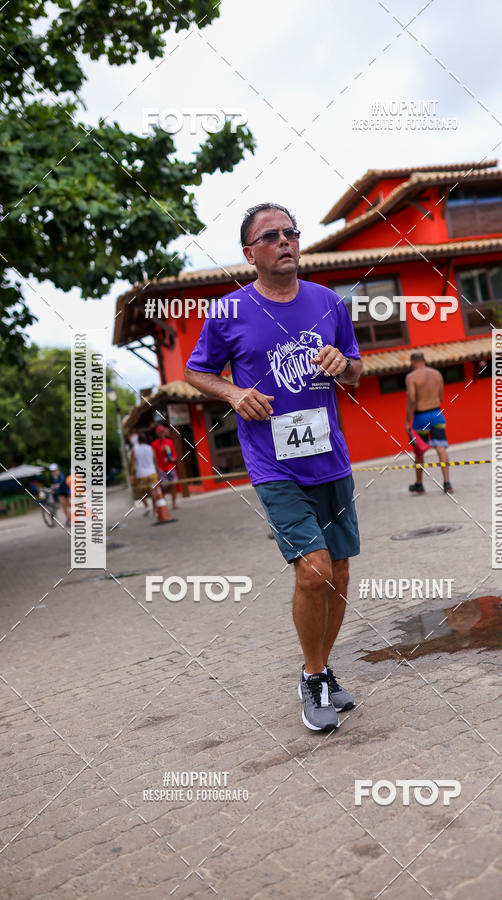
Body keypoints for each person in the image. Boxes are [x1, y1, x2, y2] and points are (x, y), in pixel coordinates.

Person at [184, 201, 363, 732]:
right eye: (272, 236)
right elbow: (197, 372)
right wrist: (234, 392)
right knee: (314, 571)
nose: (285, 240)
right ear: (250, 253)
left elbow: (354, 370)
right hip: (273, 463)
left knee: (341, 572)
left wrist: (342, 364)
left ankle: (324, 669)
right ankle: (311, 678)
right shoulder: (229, 311)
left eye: (291, 232)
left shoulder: (328, 302)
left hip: (331, 457)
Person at [405, 350, 453, 494]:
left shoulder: (411, 377)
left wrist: (408, 421)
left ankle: (419, 485)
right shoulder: (437, 374)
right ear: (424, 360)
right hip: (437, 414)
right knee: (441, 447)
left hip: (421, 417)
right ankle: (447, 483)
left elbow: (412, 400)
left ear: (413, 361)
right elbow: (441, 396)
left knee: (419, 450)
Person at [130, 434, 159, 517]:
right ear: (146, 440)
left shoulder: (135, 450)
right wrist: (158, 471)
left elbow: (131, 464)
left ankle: (147, 506)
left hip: (140, 475)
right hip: (152, 473)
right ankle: (155, 510)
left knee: (141, 492)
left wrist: (131, 474)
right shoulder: (150, 448)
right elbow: (155, 461)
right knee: (153, 491)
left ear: (138, 441)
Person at [151, 424, 179, 510]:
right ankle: (164, 504)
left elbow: (174, 454)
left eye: (162, 432)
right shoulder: (154, 444)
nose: (161, 434)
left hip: (170, 466)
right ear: (157, 433)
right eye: (159, 432)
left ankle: (174, 504)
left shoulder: (169, 441)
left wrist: (173, 458)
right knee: (164, 486)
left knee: (173, 485)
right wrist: (157, 468)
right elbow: (153, 457)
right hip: (161, 468)